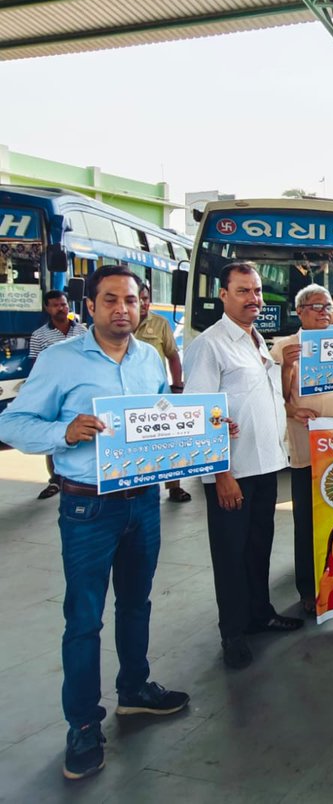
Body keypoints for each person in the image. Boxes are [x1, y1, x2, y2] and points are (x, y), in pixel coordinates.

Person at [0, 265, 189, 781]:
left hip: (143, 500)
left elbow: (160, 422)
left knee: (136, 602)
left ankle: (134, 690)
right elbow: (11, 422)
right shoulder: (61, 360)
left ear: (141, 306)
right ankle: (83, 724)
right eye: (110, 300)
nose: (121, 309)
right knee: (83, 619)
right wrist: (65, 431)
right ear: (91, 306)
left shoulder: (150, 359)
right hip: (88, 507)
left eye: (130, 300)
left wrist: (206, 432)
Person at [183, 262, 300, 671]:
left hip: (266, 466)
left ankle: (259, 613)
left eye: (258, 291)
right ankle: (232, 633)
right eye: (244, 291)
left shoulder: (257, 341)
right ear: (224, 295)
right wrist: (221, 475)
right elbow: (198, 413)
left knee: (257, 547)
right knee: (230, 555)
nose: (255, 298)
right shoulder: (210, 344)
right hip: (233, 473)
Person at [270, 284, 333, 617]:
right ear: (299, 311)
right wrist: (285, 369)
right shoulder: (284, 348)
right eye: (317, 306)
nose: (326, 312)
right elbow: (273, 398)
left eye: (329, 307)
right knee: (308, 523)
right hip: (308, 450)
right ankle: (308, 589)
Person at [133, 282, 191, 503]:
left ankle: (174, 486)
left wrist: (177, 386)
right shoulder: (120, 326)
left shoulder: (159, 324)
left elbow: (173, 356)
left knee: (169, 440)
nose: (143, 303)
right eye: (138, 298)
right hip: (130, 397)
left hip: (159, 394)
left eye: (146, 298)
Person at [28, 289, 88, 500]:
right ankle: (55, 480)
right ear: (47, 308)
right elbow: (37, 368)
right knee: (55, 434)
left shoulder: (82, 332)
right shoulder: (39, 336)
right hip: (54, 393)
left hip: (81, 391)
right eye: (55, 305)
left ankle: (79, 476)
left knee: (82, 432)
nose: (60, 308)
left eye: (63, 304)